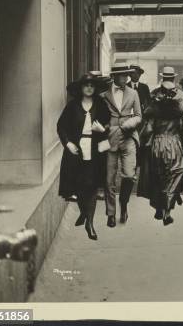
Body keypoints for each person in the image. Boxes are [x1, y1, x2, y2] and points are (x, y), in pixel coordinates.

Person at [58, 73, 110, 240]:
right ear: (81, 88)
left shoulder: (101, 104)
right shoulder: (72, 106)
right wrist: (68, 143)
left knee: (92, 186)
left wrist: (103, 130)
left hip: (95, 150)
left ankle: (90, 222)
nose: (89, 88)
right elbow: (61, 127)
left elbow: (109, 123)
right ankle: (84, 212)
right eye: (86, 85)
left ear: (95, 89)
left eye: (92, 85)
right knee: (79, 186)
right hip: (77, 151)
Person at [138, 68, 183, 225]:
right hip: (173, 141)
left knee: (158, 176)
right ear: (173, 78)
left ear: (162, 78)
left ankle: (158, 208)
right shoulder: (180, 98)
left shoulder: (154, 98)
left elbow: (148, 125)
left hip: (157, 142)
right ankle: (167, 211)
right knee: (174, 175)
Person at [99, 64, 141, 228]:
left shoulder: (133, 93)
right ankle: (111, 213)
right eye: (123, 75)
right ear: (115, 77)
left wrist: (127, 125)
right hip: (109, 140)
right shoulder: (104, 95)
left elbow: (138, 116)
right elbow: (100, 117)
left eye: (127, 75)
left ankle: (123, 204)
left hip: (129, 137)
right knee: (109, 180)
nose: (126, 78)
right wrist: (105, 127)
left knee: (129, 175)